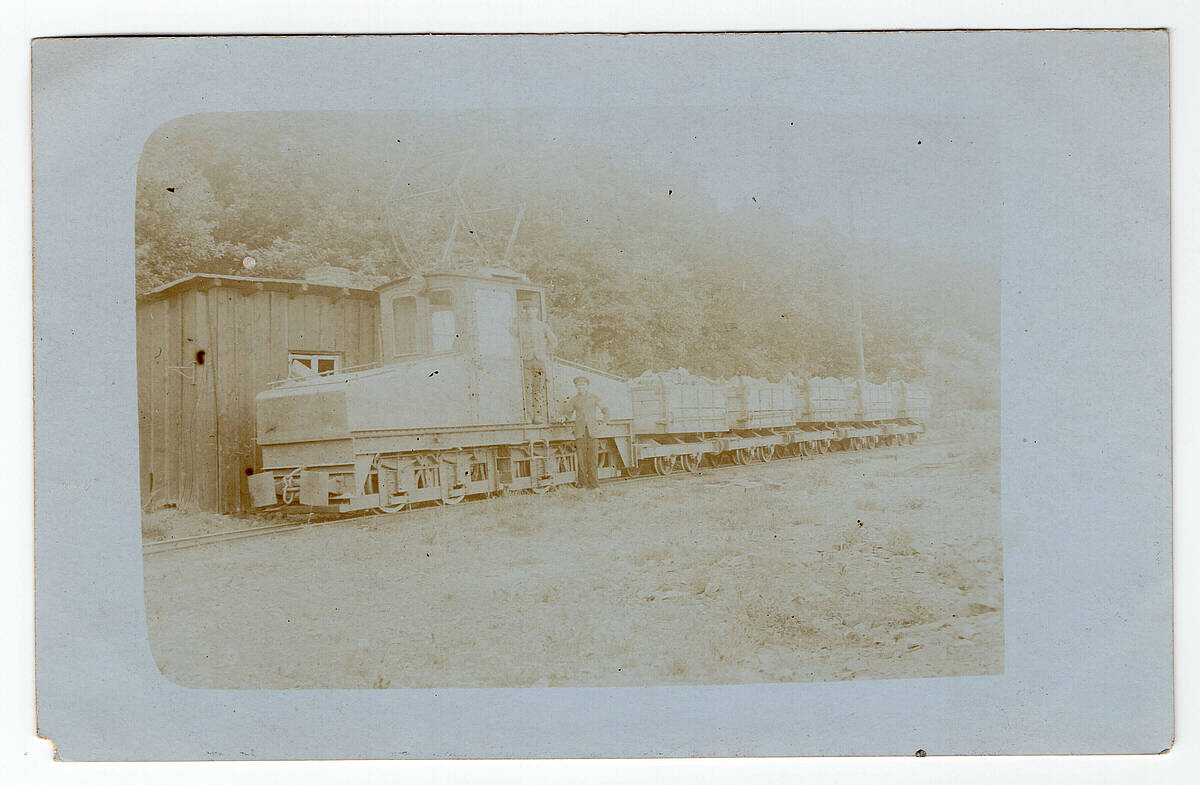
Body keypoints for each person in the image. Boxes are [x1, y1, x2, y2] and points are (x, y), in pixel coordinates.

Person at [513, 302, 557, 424]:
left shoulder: (543, 326)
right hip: (526, 360)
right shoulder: (520, 326)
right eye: (528, 309)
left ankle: (538, 416)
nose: (530, 312)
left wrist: (546, 352)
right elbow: (512, 334)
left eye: (533, 309)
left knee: (538, 389)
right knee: (527, 388)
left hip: (539, 361)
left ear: (536, 311)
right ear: (525, 312)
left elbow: (553, 341)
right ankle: (528, 416)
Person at [566, 375, 609, 490]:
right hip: (580, 433)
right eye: (578, 385)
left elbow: (606, 410)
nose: (581, 387)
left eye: (583, 385)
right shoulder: (574, 399)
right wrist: (564, 418)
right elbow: (568, 413)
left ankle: (594, 485)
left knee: (593, 460)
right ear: (576, 387)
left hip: (592, 433)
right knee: (581, 460)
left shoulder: (594, 397)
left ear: (587, 386)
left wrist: (604, 423)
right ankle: (583, 485)